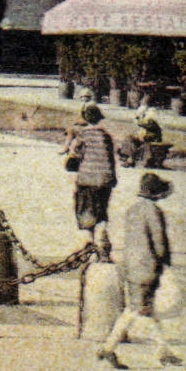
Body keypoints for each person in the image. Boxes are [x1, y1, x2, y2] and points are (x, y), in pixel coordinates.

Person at [98, 173, 182, 369]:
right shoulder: (154, 212)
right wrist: (165, 262)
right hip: (147, 267)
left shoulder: (132, 210)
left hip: (130, 266)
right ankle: (108, 348)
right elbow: (159, 242)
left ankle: (163, 352)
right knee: (137, 310)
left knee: (146, 309)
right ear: (156, 193)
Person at [65, 103, 118, 259]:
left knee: (85, 210)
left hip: (87, 180)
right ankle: (102, 240)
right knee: (101, 210)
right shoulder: (106, 136)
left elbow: (74, 157)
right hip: (105, 179)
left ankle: (88, 242)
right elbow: (111, 159)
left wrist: (70, 163)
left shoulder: (82, 135)